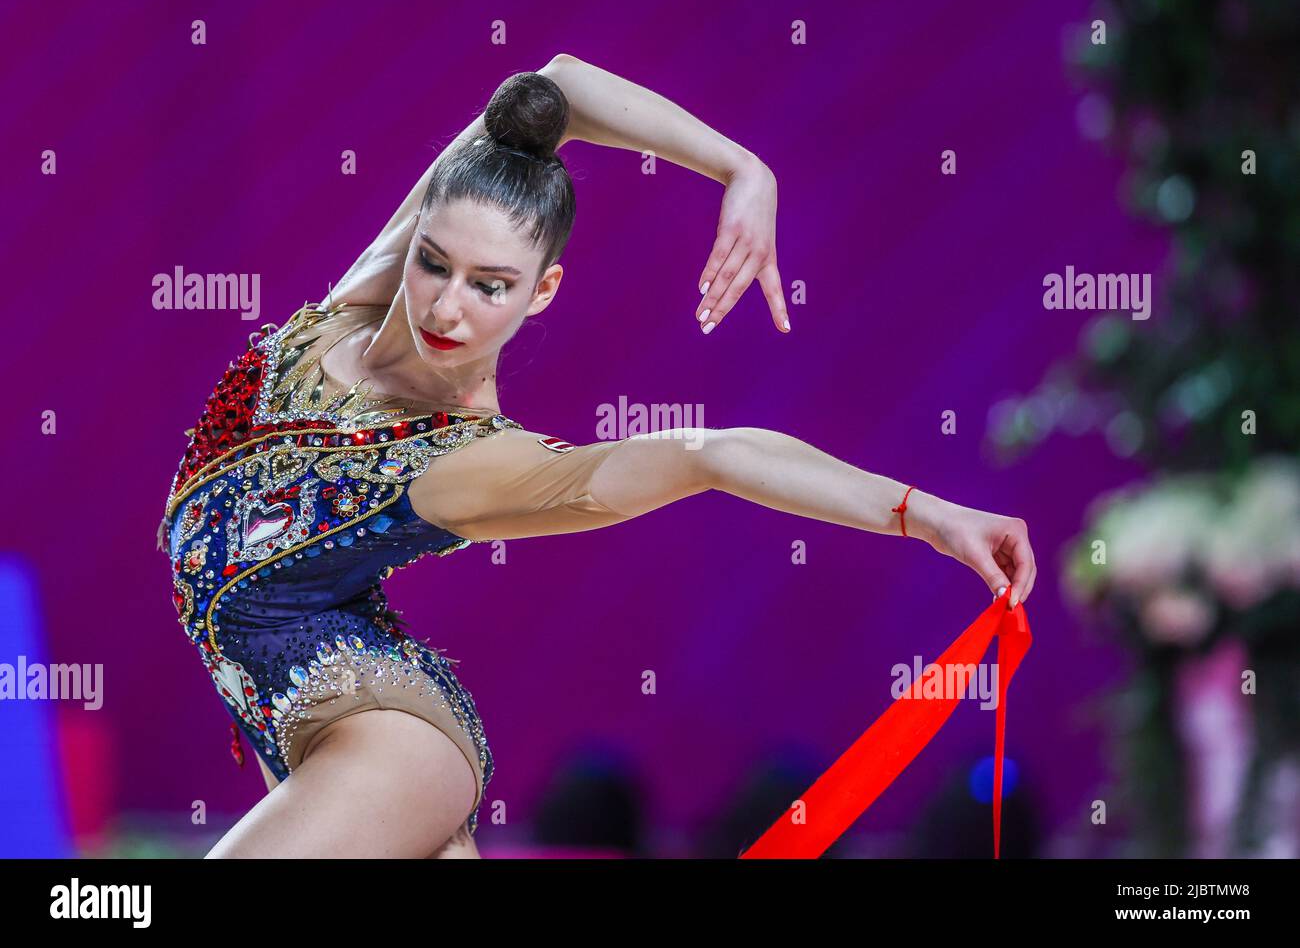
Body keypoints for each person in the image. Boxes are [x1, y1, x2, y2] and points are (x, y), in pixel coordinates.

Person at [159, 54, 1036, 859]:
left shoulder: (472, 460)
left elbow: (713, 455)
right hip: (300, 737)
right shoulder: (354, 304)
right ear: (416, 231)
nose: (448, 306)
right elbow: (558, 88)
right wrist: (740, 168)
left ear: (540, 292)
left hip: (386, 745)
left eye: (491, 286)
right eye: (435, 263)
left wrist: (931, 516)